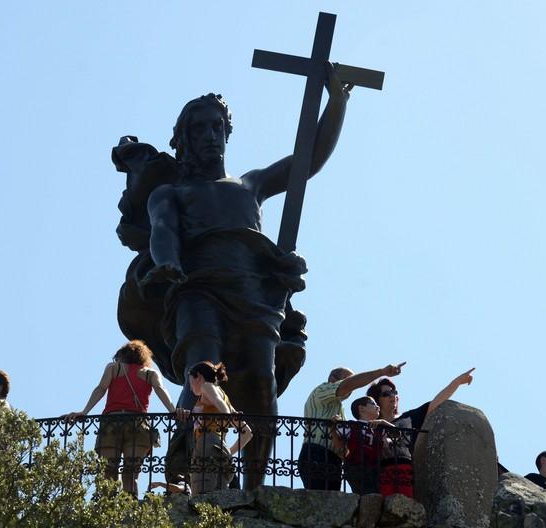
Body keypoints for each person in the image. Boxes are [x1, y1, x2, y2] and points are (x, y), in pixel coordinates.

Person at [113, 64, 354, 489]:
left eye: (216, 127)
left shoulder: (250, 185)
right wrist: (167, 262)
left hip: (254, 296)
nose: (209, 135)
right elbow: (164, 231)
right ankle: (182, 472)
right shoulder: (170, 193)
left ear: (227, 133)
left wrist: (337, 102)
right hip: (196, 290)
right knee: (201, 367)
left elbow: (307, 161)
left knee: (262, 385)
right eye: (200, 129)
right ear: (184, 140)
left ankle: (255, 487)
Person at [63, 340, 177, 497]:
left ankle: (107, 507)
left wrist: (85, 411)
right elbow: (161, 390)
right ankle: (130, 509)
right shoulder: (150, 373)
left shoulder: (114, 368)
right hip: (139, 426)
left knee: (109, 471)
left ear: (122, 356)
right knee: (131, 473)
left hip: (111, 424)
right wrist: (173, 411)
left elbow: (101, 389)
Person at [367, 367, 476, 498]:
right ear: (377, 400)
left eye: (394, 392)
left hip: (405, 474)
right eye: (386, 394)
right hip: (380, 475)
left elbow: (436, 402)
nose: (393, 396)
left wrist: (457, 382)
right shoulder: (371, 425)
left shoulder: (409, 417)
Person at [298, 363, 404, 490]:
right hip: (316, 454)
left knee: (330, 504)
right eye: (350, 380)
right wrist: (381, 372)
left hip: (333, 460)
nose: (353, 387)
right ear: (333, 378)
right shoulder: (321, 391)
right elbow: (348, 384)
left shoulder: (339, 410)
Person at [180, 361, 252, 495]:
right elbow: (247, 433)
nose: (190, 388)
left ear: (199, 377)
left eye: (190, 382)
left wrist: (227, 414)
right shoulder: (225, 397)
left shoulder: (207, 386)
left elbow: (220, 406)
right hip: (218, 446)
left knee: (202, 498)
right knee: (215, 498)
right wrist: (227, 452)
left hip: (206, 446)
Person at [330, 396, 394, 495]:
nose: (378, 407)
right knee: (363, 493)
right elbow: (339, 444)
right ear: (361, 408)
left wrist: (383, 422)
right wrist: (334, 425)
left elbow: (398, 435)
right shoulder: (351, 425)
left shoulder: (379, 429)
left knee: (373, 494)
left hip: (374, 470)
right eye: (373, 404)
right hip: (356, 467)